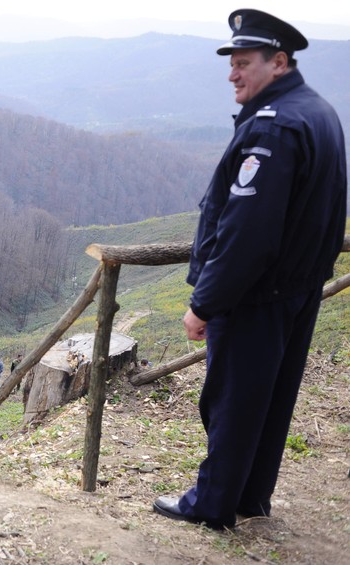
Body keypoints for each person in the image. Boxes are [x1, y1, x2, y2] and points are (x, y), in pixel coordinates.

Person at [153, 9, 347, 531]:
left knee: (234, 401)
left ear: (278, 63)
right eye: (232, 62)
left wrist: (204, 302)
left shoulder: (274, 129)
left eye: (244, 63)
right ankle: (249, 496)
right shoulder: (319, 112)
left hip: (257, 295)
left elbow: (248, 233)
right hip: (299, 289)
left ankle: (211, 504)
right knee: (270, 398)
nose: (233, 73)